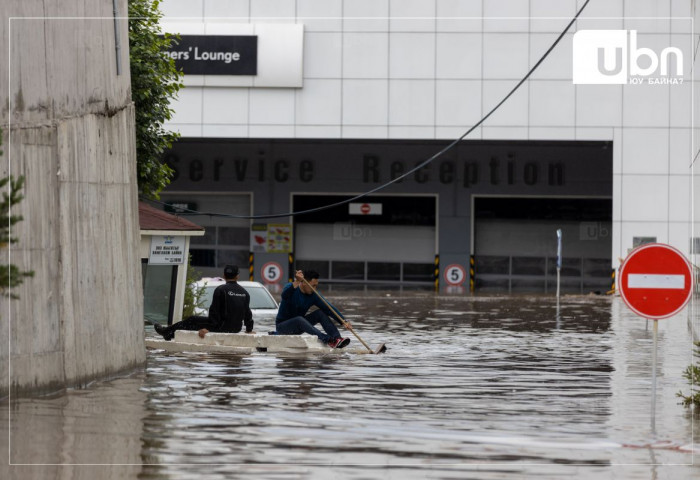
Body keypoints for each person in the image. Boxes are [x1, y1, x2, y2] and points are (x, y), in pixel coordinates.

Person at [153, 265, 254, 341]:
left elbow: (214, 311)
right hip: (236, 329)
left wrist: (209, 328)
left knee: (192, 320)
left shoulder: (220, 290)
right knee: (195, 321)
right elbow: (247, 313)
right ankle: (169, 334)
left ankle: (167, 333)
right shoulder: (244, 293)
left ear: (224, 276)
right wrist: (249, 329)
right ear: (237, 276)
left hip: (221, 328)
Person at [275, 269, 350, 348]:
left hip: (300, 325)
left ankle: (337, 339)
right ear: (304, 282)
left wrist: (343, 321)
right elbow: (284, 296)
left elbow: (329, 308)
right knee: (299, 319)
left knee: (320, 313)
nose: (314, 289)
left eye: (316, 286)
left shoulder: (313, 295)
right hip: (283, 327)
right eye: (313, 285)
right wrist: (297, 281)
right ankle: (329, 340)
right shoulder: (291, 287)